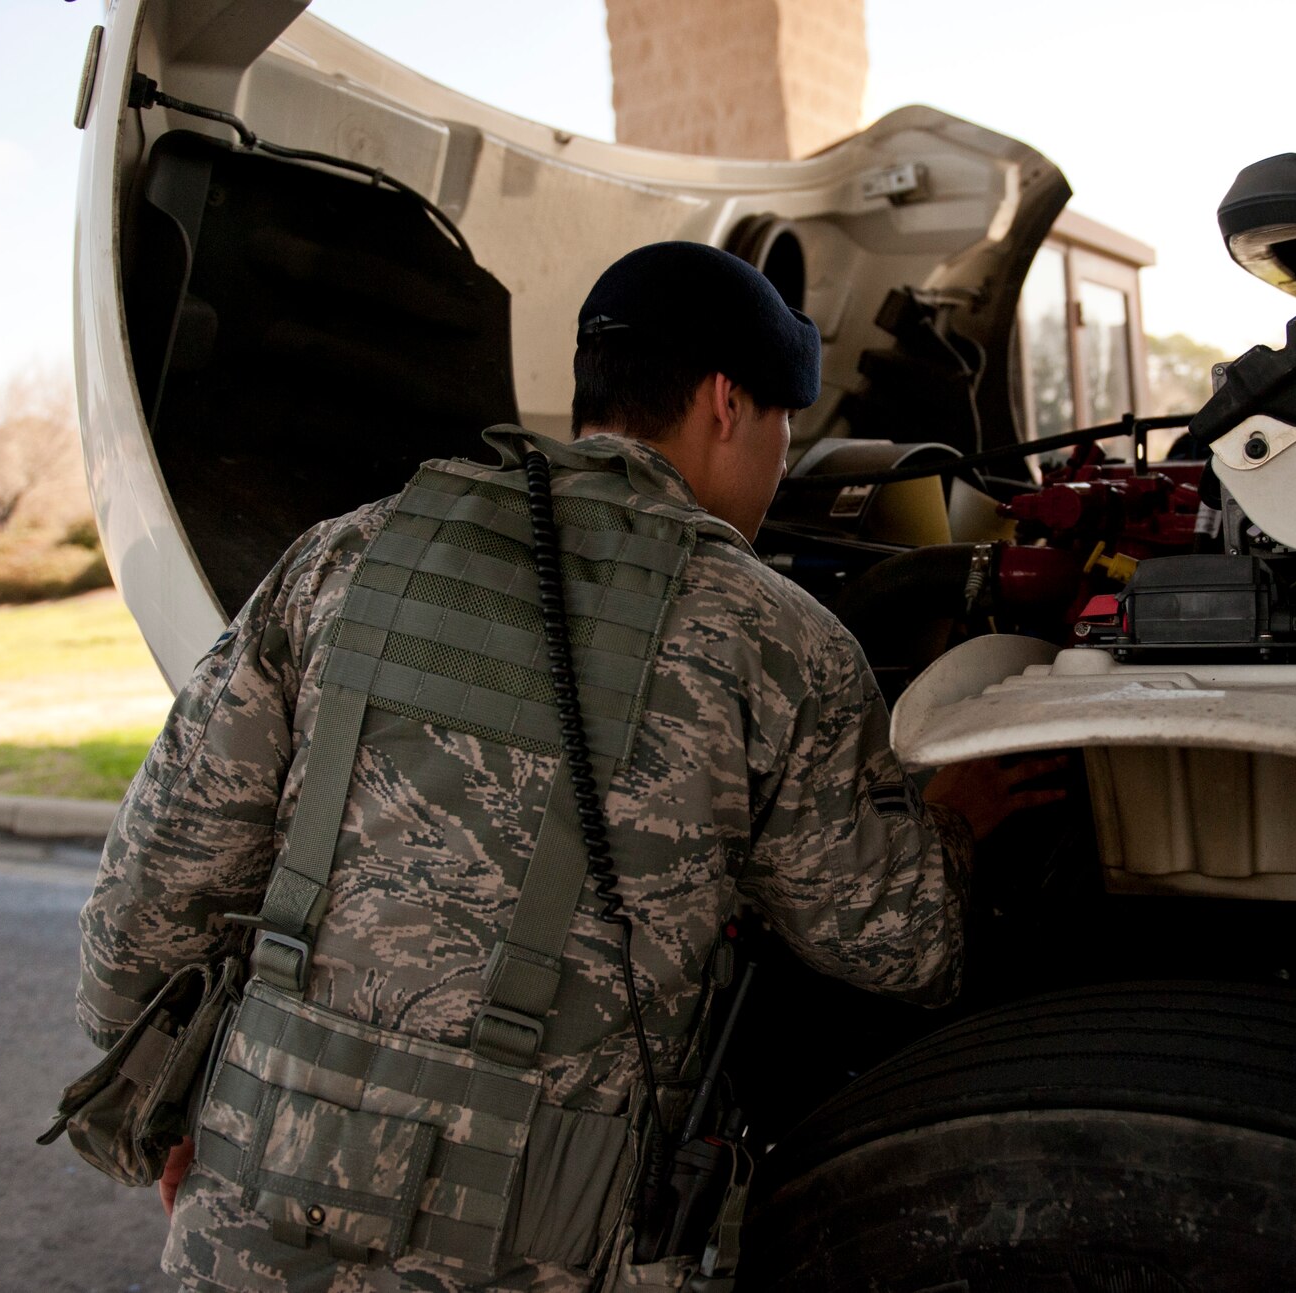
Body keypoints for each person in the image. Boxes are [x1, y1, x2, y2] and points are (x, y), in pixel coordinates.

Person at [75, 240, 1064, 1293]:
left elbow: (154, 891)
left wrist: (160, 1119)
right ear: (726, 403)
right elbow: (897, 948)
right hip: (544, 1245)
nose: (781, 462)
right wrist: (950, 826)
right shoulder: (775, 638)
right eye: (783, 426)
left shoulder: (341, 560)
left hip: (255, 1209)